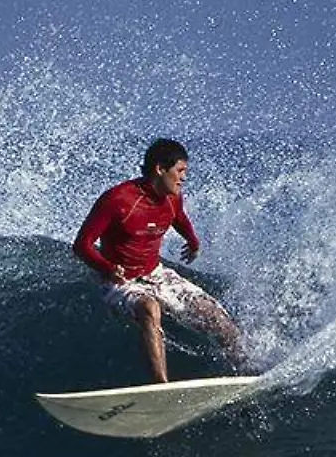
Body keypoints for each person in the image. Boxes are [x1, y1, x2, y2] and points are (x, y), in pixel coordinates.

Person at [73, 138, 244, 383]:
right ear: (160, 169)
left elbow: (179, 219)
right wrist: (108, 268)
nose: (184, 178)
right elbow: (82, 245)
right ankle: (160, 386)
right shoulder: (118, 200)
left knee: (216, 316)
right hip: (121, 280)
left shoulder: (173, 198)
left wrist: (192, 241)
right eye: (180, 171)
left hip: (156, 273)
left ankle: (245, 367)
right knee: (149, 308)